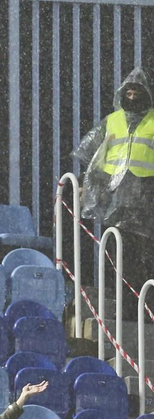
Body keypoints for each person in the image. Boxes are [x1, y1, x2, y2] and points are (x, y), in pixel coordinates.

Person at [81, 67, 154, 288]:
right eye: (129, 93)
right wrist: (85, 183)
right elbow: (96, 157)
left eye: (137, 93)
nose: (132, 97)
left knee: (143, 257)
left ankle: (141, 306)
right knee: (118, 253)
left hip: (146, 199)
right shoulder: (112, 121)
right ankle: (122, 302)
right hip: (116, 200)